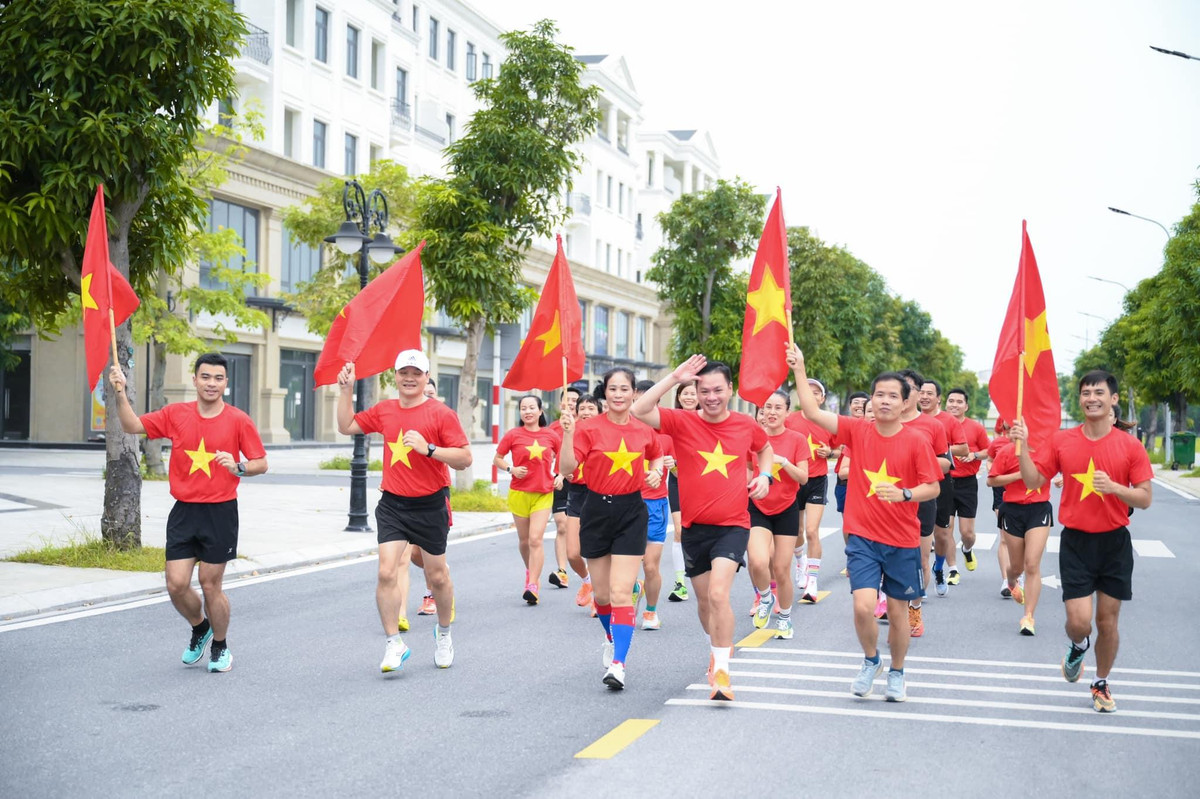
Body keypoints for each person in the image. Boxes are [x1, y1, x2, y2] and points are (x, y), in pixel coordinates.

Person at [788, 345, 941, 702]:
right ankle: (871, 661)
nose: (884, 401)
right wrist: (800, 366)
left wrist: (904, 495)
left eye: (892, 396)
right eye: (879, 395)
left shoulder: (917, 441)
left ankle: (898, 672)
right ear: (871, 400)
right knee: (862, 606)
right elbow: (811, 410)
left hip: (902, 540)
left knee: (899, 614)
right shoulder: (857, 430)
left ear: (905, 402)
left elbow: (932, 485)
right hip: (863, 538)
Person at [109, 354, 267, 673]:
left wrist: (238, 467)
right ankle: (200, 627)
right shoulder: (176, 414)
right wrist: (120, 392)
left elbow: (261, 462)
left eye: (218, 378)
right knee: (176, 585)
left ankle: (220, 648)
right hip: (184, 511)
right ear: (194, 380)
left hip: (220, 512)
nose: (211, 383)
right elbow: (132, 425)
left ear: (226, 383)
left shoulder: (238, 420)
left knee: (210, 584)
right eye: (205, 377)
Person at [632, 356, 773, 702]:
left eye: (718, 390)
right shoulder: (681, 422)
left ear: (730, 390)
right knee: (704, 603)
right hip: (695, 528)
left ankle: (723, 672)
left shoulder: (744, 425)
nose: (711, 397)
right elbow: (639, 410)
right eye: (704, 390)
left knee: (718, 595)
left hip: (733, 525)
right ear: (695, 390)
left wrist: (765, 475)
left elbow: (765, 448)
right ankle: (716, 651)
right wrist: (674, 376)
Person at [1012, 370, 1153, 713]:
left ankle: (1101, 682)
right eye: (1086, 392)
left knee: (1108, 620)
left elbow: (1145, 498)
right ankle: (1078, 646)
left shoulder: (1129, 445)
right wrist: (1023, 449)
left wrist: (1115, 488)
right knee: (1079, 622)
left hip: (1115, 544)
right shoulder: (1062, 441)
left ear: (1113, 399)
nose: (1092, 397)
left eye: (1099, 392)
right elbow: (1033, 480)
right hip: (1076, 543)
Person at [336, 350, 472, 672]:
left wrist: (431, 449)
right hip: (393, 504)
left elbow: (465, 459)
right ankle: (393, 644)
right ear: (395, 376)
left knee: (436, 575)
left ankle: (444, 633)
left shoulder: (441, 414)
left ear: (426, 377)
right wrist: (345, 391)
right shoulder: (385, 410)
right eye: (403, 372)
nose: (409, 378)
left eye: (416, 372)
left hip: (430, 505)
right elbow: (346, 426)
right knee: (386, 571)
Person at [559, 369, 663, 691]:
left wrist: (657, 473)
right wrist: (567, 433)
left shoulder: (644, 430)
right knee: (602, 596)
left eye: (625, 389)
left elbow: (657, 455)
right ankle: (610, 635)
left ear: (634, 393)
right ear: (605, 393)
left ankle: (619, 663)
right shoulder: (587, 429)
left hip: (631, 511)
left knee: (621, 592)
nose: (618, 394)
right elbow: (566, 469)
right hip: (596, 511)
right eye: (612, 389)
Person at [748, 390, 809, 639]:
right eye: (767, 408)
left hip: (786, 508)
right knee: (758, 561)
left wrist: (783, 462)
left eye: (777, 408)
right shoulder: (753, 438)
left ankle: (784, 618)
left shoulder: (796, 439)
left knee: (782, 569)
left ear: (787, 412)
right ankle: (765, 597)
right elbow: (748, 469)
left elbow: (803, 478)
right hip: (757, 506)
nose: (771, 413)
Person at [896, 369, 950, 635]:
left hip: (921, 499)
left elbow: (946, 462)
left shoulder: (933, 425)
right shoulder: (883, 421)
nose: (904, 392)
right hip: (886, 499)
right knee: (888, 558)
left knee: (920, 559)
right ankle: (892, 605)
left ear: (918, 393)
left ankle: (915, 609)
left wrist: (917, 459)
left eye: (909, 387)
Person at [494, 395, 561, 604]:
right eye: (524, 408)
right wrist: (510, 468)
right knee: (524, 541)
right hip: (519, 492)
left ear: (541, 411)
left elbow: (565, 457)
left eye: (532, 407)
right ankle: (530, 572)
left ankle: (533, 584)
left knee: (535, 539)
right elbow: (497, 458)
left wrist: (559, 475)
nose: (528, 411)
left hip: (543, 492)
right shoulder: (513, 434)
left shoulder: (550, 435)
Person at [988, 437, 1052, 636]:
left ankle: (1028, 616)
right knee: (1017, 567)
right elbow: (991, 480)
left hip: (1039, 509)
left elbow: (1068, 466)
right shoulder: (1008, 451)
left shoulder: (1047, 450)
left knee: (1032, 564)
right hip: (1013, 510)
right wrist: (1019, 475)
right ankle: (1012, 581)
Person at [785, 378, 834, 602]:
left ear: (822, 398)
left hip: (817, 480)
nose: (812, 395)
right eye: (808, 391)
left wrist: (830, 452)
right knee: (797, 531)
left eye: (817, 392)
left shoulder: (828, 421)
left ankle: (812, 581)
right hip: (793, 481)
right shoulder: (790, 419)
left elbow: (843, 447)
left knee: (812, 531)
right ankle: (800, 562)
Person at [918, 380, 968, 588]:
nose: (924, 396)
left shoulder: (947, 421)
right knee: (919, 533)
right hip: (917, 482)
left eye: (930, 393)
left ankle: (939, 567)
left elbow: (964, 449)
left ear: (938, 398)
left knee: (942, 534)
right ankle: (922, 574)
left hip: (941, 481)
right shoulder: (905, 419)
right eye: (921, 392)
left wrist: (934, 450)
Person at [634, 380, 673, 630]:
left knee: (650, 565)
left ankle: (650, 611)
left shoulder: (667, 436)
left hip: (656, 504)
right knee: (625, 563)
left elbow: (685, 469)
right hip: (627, 503)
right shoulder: (620, 431)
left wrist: (672, 464)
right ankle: (632, 589)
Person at [945, 387, 991, 577]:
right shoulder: (938, 424)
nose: (954, 404)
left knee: (967, 533)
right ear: (945, 403)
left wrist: (974, 455)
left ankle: (966, 549)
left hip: (967, 484)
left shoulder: (976, 428)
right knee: (946, 529)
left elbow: (990, 451)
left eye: (959, 402)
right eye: (951, 401)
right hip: (944, 481)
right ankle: (953, 569)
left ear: (966, 406)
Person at [563, 395, 600, 611]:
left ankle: (600, 598)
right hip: (576, 493)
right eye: (582, 408)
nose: (586, 412)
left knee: (596, 550)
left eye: (591, 408)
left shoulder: (605, 433)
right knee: (573, 553)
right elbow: (562, 463)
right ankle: (588, 581)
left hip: (599, 492)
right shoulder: (570, 432)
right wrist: (562, 474)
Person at [667, 381, 698, 602]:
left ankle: (700, 573)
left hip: (700, 482)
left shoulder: (706, 419)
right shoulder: (671, 420)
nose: (689, 397)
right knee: (679, 530)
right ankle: (680, 582)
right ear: (678, 396)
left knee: (697, 530)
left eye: (693, 393)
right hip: (677, 480)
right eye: (685, 393)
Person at [549, 387, 582, 590]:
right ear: (561, 403)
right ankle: (562, 571)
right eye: (567, 400)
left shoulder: (588, 427)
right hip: (560, 482)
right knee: (561, 525)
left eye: (574, 400)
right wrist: (557, 475)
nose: (570, 403)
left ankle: (585, 566)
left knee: (580, 529)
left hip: (584, 483)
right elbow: (548, 456)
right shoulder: (553, 428)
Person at [988, 419, 1016, 597]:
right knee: (1005, 537)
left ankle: (1017, 573)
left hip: (1027, 496)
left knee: (1021, 541)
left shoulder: (1036, 444)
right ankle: (1007, 579)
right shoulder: (998, 443)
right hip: (1002, 493)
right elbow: (990, 461)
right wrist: (995, 471)